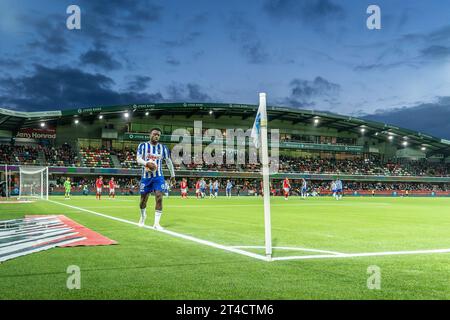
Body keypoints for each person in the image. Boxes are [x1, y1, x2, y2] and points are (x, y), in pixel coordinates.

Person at [136, 127, 175, 230]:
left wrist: (173, 175)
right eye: (154, 134)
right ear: (150, 134)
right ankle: (143, 216)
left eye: (158, 135)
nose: (156, 136)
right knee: (143, 201)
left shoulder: (163, 148)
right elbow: (138, 159)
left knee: (159, 197)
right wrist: (147, 163)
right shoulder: (143, 146)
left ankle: (156, 223)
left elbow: (169, 162)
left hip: (158, 176)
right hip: (146, 177)